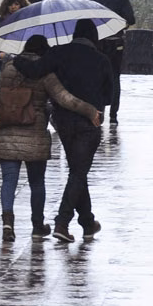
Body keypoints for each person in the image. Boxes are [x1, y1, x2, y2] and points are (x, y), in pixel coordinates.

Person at [0, 35, 101, 242]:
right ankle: (37, 226)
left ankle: (8, 223)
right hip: (34, 134)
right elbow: (65, 99)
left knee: (9, 180)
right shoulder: (45, 73)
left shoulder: (8, 68)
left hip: (8, 131)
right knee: (37, 182)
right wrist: (90, 111)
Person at [37, 19, 113, 242]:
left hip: (63, 121)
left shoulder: (59, 54)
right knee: (78, 172)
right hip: (90, 123)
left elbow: (37, 70)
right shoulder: (101, 60)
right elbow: (109, 97)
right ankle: (62, 222)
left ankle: (88, 222)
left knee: (77, 171)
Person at [84, 0, 136, 127]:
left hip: (96, 43)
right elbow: (131, 19)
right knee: (114, 77)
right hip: (115, 43)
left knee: (96, 77)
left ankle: (98, 110)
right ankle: (113, 114)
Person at [0, 0, 29, 75]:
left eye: (16, 4)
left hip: (21, 62)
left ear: (22, 6)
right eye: (10, 5)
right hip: (2, 62)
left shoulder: (26, 23)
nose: (13, 7)